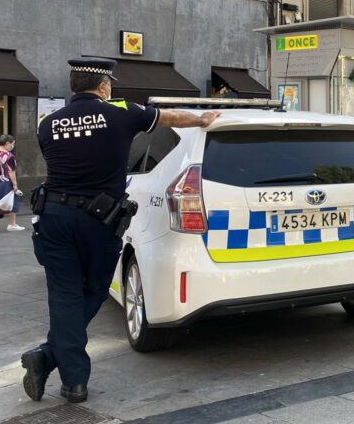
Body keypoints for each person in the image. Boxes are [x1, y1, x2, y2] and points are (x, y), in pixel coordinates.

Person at [21, 58, 221, 405]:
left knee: (65, 296)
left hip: (53, 217)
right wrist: (203, 118)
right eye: (109, 84)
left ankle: (70, 379)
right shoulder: (121, 112)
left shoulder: (47, 123)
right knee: (95, 290)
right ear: (103, 87)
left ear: (73, 87)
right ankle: (52, 361)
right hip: (98, 220)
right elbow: (171, 117)